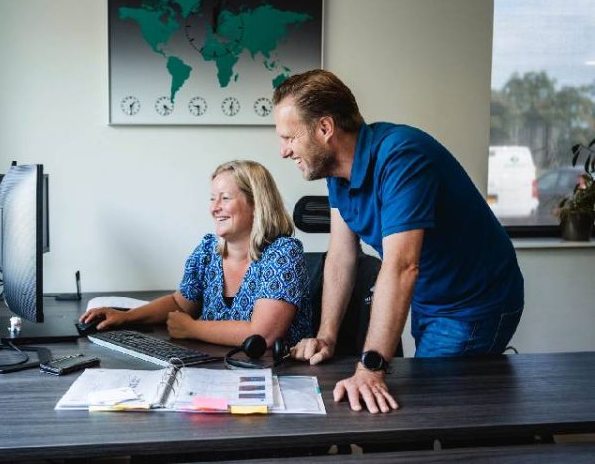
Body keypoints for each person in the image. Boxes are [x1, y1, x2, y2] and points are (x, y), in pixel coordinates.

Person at [272, 69, 524, 414]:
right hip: (430, 297)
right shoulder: (337, 172)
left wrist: (370, 369)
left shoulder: (402, 156)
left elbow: (402, 266)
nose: (283, 151)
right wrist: (327, 336)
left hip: (474, 301)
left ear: (325, 128)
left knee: (430, 410)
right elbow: (342, 257)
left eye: (289, 137)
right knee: (430, 400)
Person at [79, 160, 312, 348]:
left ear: (257, 204)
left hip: (276, 376)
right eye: (212, 199)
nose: (215, 207)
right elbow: (180, 304)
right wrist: (126, 317)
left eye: (225, 198)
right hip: (215, 368)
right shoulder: (208, 251)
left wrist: (191, 328)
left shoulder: (283, 253)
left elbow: (263, 335)